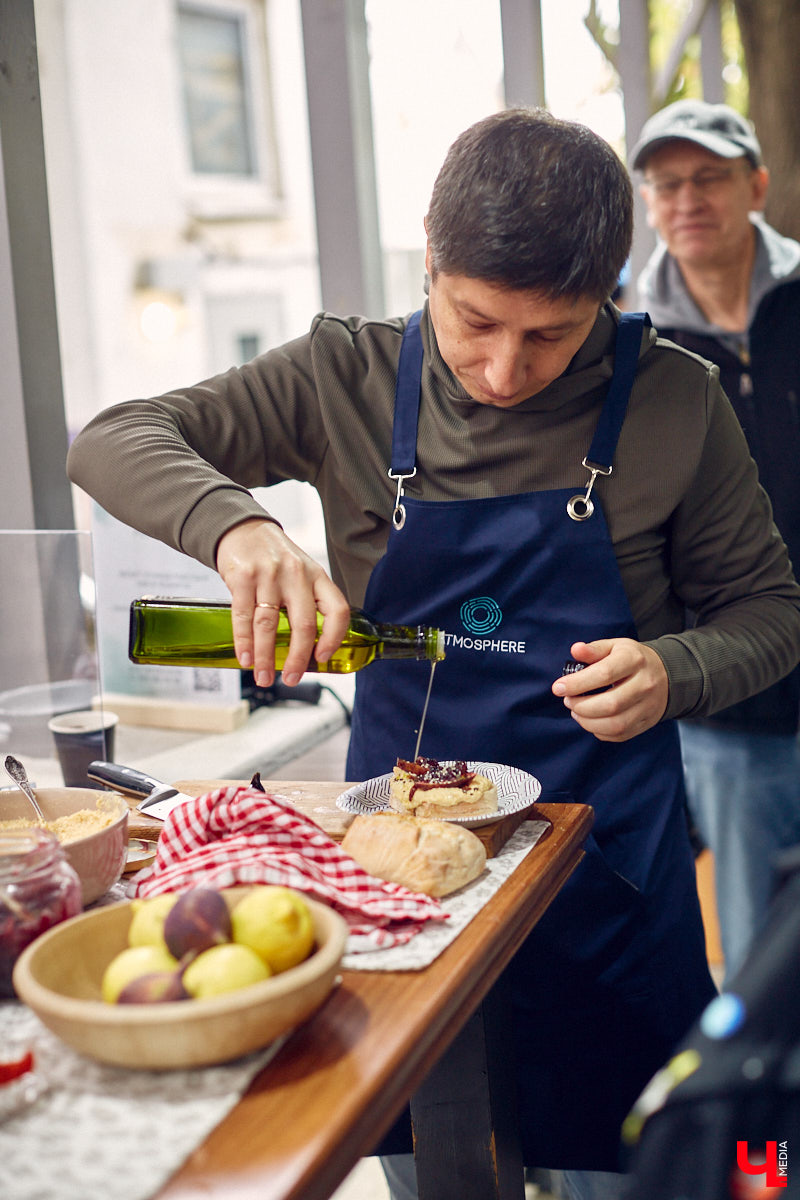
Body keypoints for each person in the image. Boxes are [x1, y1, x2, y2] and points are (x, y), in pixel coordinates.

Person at [67, 108, 800, 1199]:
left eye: (550, 335)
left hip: (606, 871)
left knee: (629, 1166)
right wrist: (241, 526)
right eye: (474, 323)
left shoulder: (673, 401)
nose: (504, 370)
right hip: (401, 886)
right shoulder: (341, 377)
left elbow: (770, 615)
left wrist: (673, 670)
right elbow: (110, 439)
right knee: (436, 1162)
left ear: (607, 291)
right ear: (429, 257)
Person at [631, 99, 800, 982]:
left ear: (756, 186)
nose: (687, 198)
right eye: (667, 184)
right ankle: (761, 1128)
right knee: (756, 962)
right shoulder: (631, 345)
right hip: (734, 705)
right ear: (650, 206)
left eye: (709, 178)